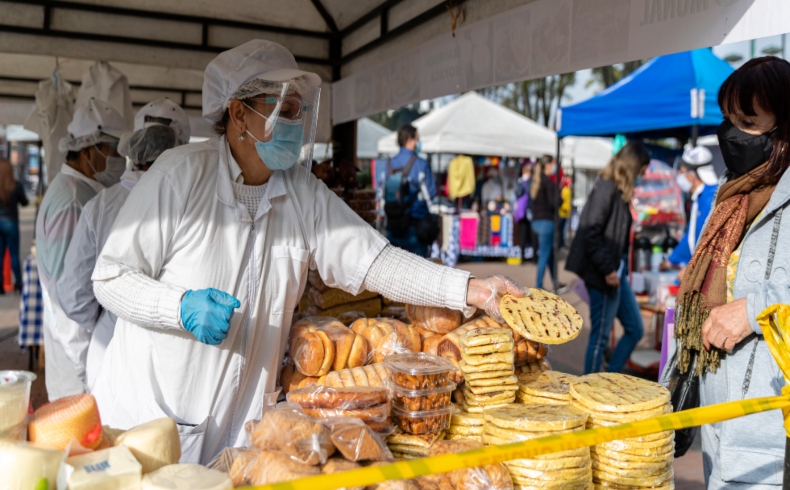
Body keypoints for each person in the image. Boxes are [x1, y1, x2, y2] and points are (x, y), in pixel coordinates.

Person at [89, 40, 524, 464]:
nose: (296, 122)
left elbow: (375, 260)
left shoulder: (300, 193)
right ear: (239, 114)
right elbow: (109, 277)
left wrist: (472, 289)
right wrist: (178, 307)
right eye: (285, 109)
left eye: (299, 109)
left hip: (241, 424)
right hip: (154, 423)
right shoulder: (180, 175)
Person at [670, 57, 790, 489]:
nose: (730, 133)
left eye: (748, 120)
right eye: (726, 119)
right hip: (718, 420)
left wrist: (752, 310)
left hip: (770, 432)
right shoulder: (731, 196)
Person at [57, 99, 190, 392]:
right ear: (183, 147)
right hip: (168, 366)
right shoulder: (195, 207)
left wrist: (111, 318)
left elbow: (74, 298)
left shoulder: (102, 205)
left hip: (108, 354)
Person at [35, 98, 127, 400]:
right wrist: (85, 363)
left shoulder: (81, 191)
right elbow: (70, 294)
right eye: (112, 151)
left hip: (80, 346)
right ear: (88, 151)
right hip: (75, 350)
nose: (118, 160)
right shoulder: (73, 201)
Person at [566, 142, 650, 374]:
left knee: (635, 329)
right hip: (604, 275)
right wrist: (608, 270)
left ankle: (609, 376)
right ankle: (590, 387)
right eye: (642, 170)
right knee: (600, 336)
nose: (643, 176)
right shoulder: (607, 188)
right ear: (633, 166)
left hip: (615, 273)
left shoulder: (618, 190)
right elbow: (590, 232)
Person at [662, 145, 718, 279]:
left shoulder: (711, 198)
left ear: (691, 176)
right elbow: (691, 238)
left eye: (682, 171)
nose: (680, 176)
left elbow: (711, 241)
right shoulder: (699, 197)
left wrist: (691, 268)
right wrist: (671, 260)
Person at [384, 124, 437, 258]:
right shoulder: (421, 164)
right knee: (419, 273)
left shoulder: (389, 164)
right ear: (409, 140)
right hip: (414, 229)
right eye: (417, 139)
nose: (418, 143)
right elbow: (430, 195)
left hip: (393, 227)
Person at [530, 155, 567, 292]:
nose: (554, 167)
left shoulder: (537, 181)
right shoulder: (548, 182)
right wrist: (560, 195)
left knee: (549, 254)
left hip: (536, 222)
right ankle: (538, 286)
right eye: (552, 164)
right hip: (546, 222)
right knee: (545, 255)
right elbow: (554, 203)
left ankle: (555, 282)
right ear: (548, 165)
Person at [0, 159, 28, 293]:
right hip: (11, 222)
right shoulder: (16, 186)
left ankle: (0, 285)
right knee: (14, 255)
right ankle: (18, 283)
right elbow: (25, 202)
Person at [514, 161, 536, 261]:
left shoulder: (525, 182)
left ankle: (524, 256)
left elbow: (518, 194)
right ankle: (533, 257)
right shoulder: (531, 182)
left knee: (525, 234)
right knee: (531, 234)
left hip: (526, 210)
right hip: (530, 210)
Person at [558, 176, 572, 249]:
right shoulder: (565, 190)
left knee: (563, 230)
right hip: (562, 213)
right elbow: (563, 201)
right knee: (562, 230)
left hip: (565, 213)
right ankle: (561, 244)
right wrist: (565, 208)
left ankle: (562, 244)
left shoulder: (566, 190)